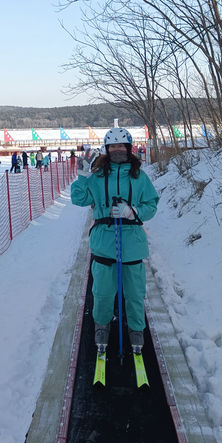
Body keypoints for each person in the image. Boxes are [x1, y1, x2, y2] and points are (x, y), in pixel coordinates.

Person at [70, 127, 159, 355]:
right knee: (102, 292)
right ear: (106, 149)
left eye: (121, 146)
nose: (117, 150)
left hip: (132, 243)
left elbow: (151, 205)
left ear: (129, 148)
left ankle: (136, 330)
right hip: (104, 242)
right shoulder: (98, 176)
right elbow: (79, 199)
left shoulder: (139, 176)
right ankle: (102, 325)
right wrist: (81, 177)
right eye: (113, 146)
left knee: (134, 293)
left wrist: (133, 212)